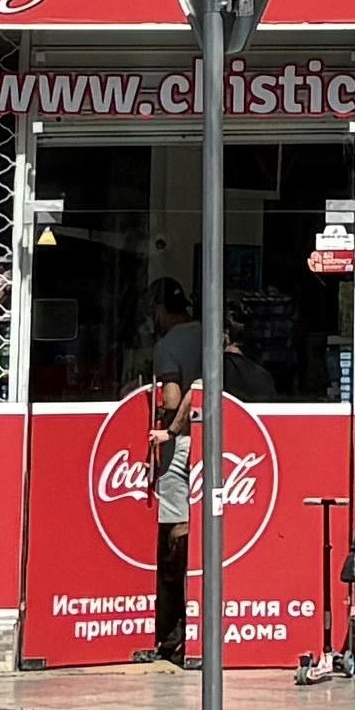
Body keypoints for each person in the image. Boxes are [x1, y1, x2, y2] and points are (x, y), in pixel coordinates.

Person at [144, 267, 212, 663]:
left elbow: (172, 398)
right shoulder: (209, 332)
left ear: (157, 310)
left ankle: (172, 631)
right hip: (218, 442)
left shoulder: (167, 344)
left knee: (175, 537)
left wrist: (166, 427)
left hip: (182, 442)